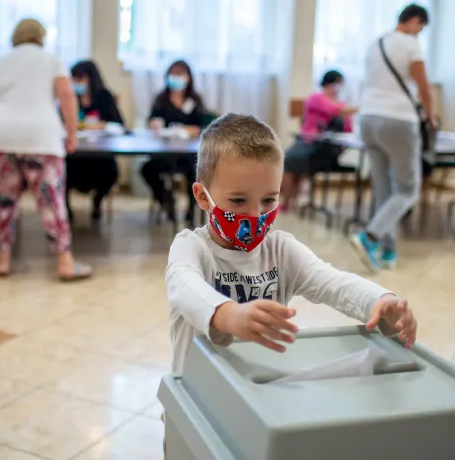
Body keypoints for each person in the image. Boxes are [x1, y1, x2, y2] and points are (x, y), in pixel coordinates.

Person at [165, 112, 417, 377]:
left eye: (268, 200)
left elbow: (334, 283)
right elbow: (185, 287)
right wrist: (228, 315)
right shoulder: (191, 248)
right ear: (203, 196)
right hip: (194, 399)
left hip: (258, 394)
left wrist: (381, 301)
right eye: (239, 201)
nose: (255, 215)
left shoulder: (281, 251)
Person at [0, 18, 91, 281]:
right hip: (41, 137)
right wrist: (71, 133)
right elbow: (67, 96)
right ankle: (65, 262)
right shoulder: (50, 60)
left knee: (2, 201)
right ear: (41, 37)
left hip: (0, 137)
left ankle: (2, 260)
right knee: (51, 201)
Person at [350, 3, 434, 272]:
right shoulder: (410, 45)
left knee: (384, 189)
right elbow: (424, 87)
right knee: (407, 189)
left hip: (368, 118)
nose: (418, 34)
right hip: (397, 120)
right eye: (420, 29)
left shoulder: (375, 44)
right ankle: (370, 236)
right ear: (415, 21)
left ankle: (387, 252)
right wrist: (430, 116)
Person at [140, 60, 206, 224]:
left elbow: (203, 126)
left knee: (196, 169)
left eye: (180, 74)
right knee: (147, 169)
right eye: (173, 74)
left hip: (188, 153)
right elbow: (151, 121)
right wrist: (154, 124)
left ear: (188, 78)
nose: (176, 78)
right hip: (164, 152)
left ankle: (192, 209)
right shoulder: (161, 99)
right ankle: (166, 200)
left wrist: (187, 130)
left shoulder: (195, 100)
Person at [281, 70, 357, 211]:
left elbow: (347, 129)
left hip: (327, 149)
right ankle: (287, 200)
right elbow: (334, 110)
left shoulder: (342, 105)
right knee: (291, 161)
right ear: (329, 83)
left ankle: (290, 200)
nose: (339, 88)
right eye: (338, 84)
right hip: (308, 142)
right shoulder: (316, 98)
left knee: (297, 163)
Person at [66, 60, 124, 223]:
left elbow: (120, 124)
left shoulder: (104, 96)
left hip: (100, 155)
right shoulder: (70, 97)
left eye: (80, 78)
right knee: (62, 170)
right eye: (74, 79)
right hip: (75, 154)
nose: (77, 83)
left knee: (111, 172)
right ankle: (66, 209)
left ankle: (97, 201)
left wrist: (100, 124)